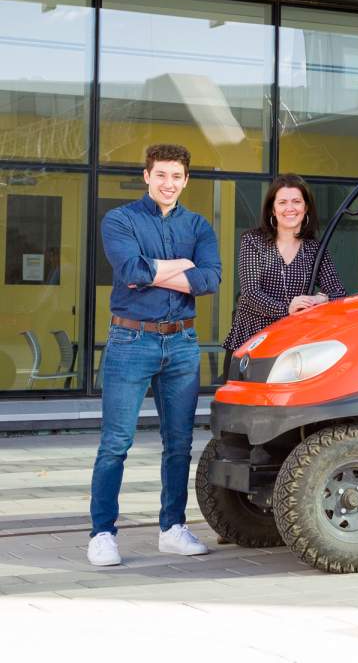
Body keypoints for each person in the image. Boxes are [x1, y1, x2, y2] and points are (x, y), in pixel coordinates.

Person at [87, 144, 221, 566]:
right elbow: (129, 272)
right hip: (131, 342)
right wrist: (181, 265)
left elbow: (210, 279)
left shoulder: (198, 225)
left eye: (176, 176)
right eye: (160, 174)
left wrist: (156, 271)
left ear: (186, 180)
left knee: (179, 443)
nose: (168, 183)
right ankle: (102, 533)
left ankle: (172, 528)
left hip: (181, 343)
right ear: (147, 176)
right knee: (116, 443)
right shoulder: (120, 219)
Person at [223, 174, 346, 360]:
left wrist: (320, 300)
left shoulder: (315, 249)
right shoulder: (253, 241)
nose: (290, 208)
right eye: (282, 202)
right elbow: (250, 293)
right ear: (273, 209)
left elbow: (339, 293)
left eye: (296, 201)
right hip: (252, 341)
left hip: (293, 344)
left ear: (306, 208)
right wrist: (287, 309)